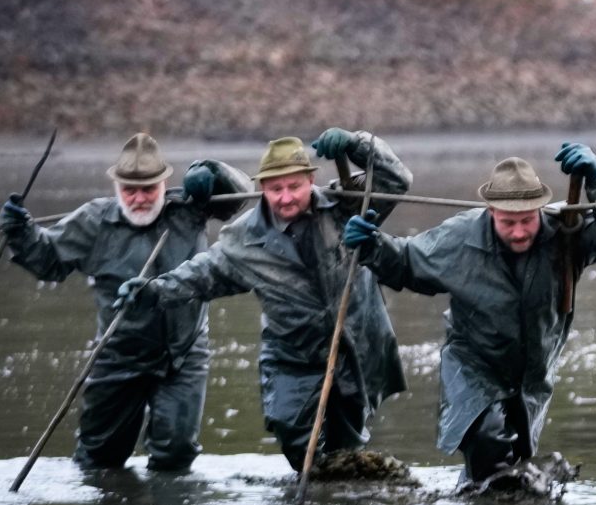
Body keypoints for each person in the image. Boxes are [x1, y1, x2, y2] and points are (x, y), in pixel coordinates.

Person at [345, 145, 596, 490]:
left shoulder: (566, 234)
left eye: (527, 221)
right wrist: (373, 246)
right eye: (508, 223)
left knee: (510, 473)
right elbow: (408, 262)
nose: (519, 232)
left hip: (533, 375)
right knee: (488, 440)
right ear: (491, 212)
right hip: (473, 367)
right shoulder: (460, 237)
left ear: (540, 209)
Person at [128, 129, 413, 468]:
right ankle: (317, 477)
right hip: (292, 353)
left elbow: (396, 179)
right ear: (263, 188)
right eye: (276, 189)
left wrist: (357, 144)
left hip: (355, 344)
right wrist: (154, 291)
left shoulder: (348, 206)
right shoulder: (244, 239)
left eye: (295, 186)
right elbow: (203, 273)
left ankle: (339, 491)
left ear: (311, 181)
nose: (286, 198)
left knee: (346, 444)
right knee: (294, 437)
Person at [0, 131, 253, 472]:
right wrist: (20, 233)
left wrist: (213, 171)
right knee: (99, 458)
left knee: (175, 453)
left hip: (183, 353)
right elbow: (47, 261)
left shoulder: (190, 209)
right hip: (118, 355)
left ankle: (169, 504)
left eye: (148, 189)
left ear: (164, 184)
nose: (139, 199)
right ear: (117, 187)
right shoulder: (94, 220)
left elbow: (241, 192)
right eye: (130, 190)